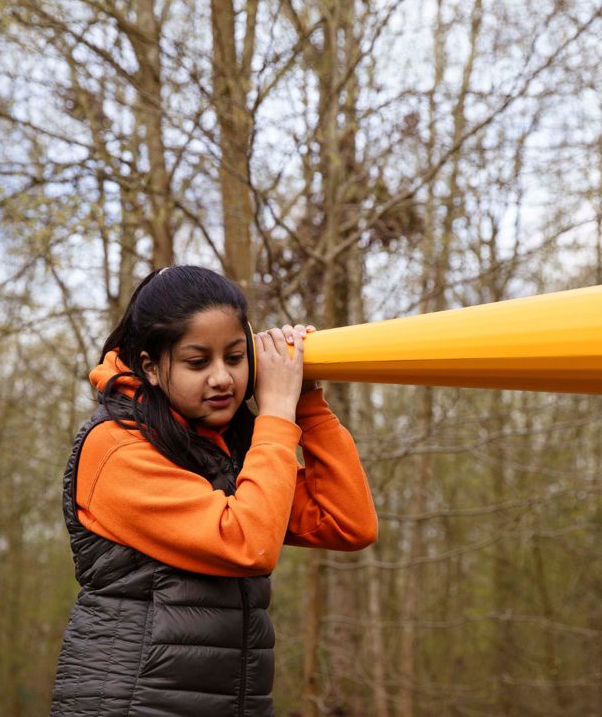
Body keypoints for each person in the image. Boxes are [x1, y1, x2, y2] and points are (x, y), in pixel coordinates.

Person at [50, 265, 378, 717]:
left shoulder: (223, 446)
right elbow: (247, 544)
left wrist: (306, 403)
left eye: (236, 357)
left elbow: (347, 523)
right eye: (198, 362)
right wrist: (278, 414)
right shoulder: (116, 446)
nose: (223, 378)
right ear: (151, 367)